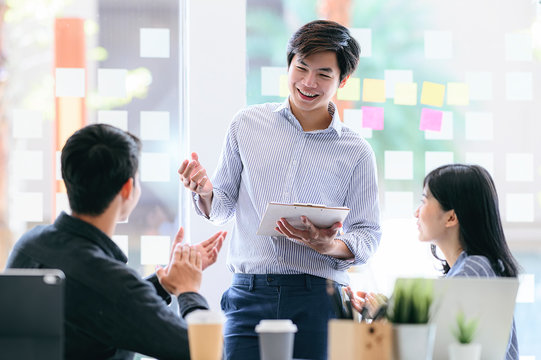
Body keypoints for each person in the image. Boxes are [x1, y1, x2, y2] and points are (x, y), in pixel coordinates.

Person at [178, 20, 381, 360]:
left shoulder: (357, 151)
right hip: (248, 294)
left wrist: (330, 244)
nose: (308, 82)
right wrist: (204, 190)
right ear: (288, 64)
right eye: (301, 67)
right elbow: (223, 206)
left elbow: (368, 235)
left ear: (342, 80)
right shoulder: (246, 124)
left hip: (319, 296)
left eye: (323, 74)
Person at [5, 124, 226, 360]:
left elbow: (95, 306)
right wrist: (188, 290)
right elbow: (207, 353)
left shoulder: (29, 245)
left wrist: (163, 282)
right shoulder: (111, 283)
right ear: (128, 189)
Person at [348, 164, 520, 360]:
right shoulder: (468, 268)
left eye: (423, 201)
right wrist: (383, 310)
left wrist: (387, 318)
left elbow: (441, 349)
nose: (416, 213)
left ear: (451, 217)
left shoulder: (474, 269)